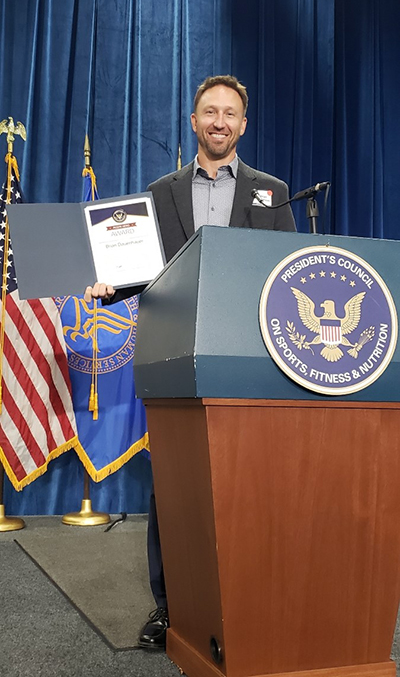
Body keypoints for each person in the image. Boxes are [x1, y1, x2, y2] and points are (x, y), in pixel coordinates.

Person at [85, 75, 296, 650]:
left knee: (248, 485)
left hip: (249, 360)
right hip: (174, 354)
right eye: (210, 112)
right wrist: (110, 287)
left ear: (243, 124)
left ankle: (251, 599)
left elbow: (287, 274)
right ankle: (169, 608)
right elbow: (140, 270)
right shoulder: (159, 192)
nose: (220, 121)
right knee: (172, 486)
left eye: (230, 113)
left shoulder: (271, 192)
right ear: (195, 120)